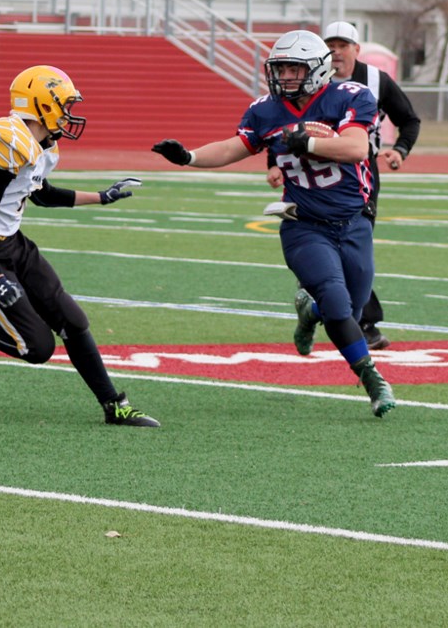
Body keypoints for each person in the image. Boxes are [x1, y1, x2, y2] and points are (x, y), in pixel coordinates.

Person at [153, 30, 396, 418]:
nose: (284, 76)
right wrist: (189, 156)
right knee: (336, 300)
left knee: (348, 307)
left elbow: (353, 148)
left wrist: (308, 143)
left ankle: (310, 313)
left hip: (353, 221)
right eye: (280, 68)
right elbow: (236, 146)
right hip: (303, 224)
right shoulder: (265, 110)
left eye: (293, 69)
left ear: (317, 70)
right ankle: (371, 379)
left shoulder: (350, 96)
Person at [0, 65, 160, 427]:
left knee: (73, 320)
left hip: (14, 244)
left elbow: (43, 195)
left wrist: (101, 196)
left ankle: (113, 405)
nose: (69, 113)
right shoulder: (10, 137)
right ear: (42, 104)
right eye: (64, 104)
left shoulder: (43, 143)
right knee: (37, 348)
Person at [266, 21, 421, 350]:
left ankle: (341, 313)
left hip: (357, 170)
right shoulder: (299, 81)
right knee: (316, 243)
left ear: (356, 49)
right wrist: (273, 163)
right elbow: (277, 125)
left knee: (354, 251)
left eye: (343, 44)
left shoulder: (374, 80)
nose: (336, 51)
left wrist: (401, 149)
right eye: (330, 44)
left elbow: (409, 118)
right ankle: (345, 312)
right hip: (306, 171)